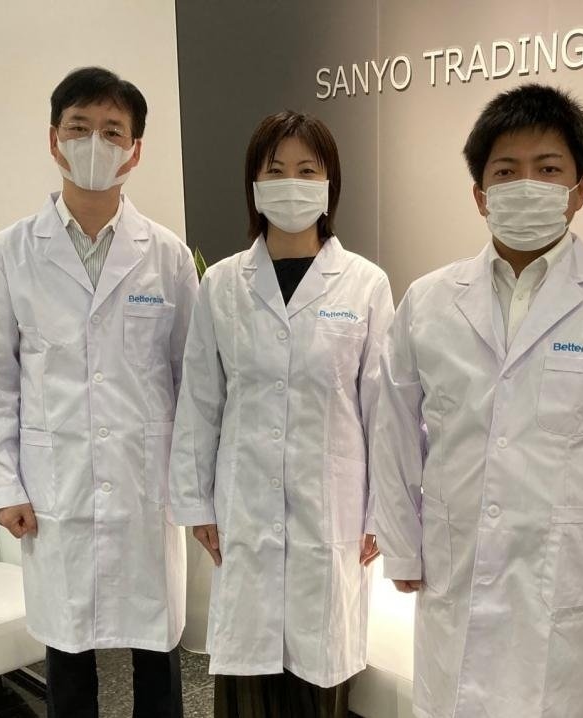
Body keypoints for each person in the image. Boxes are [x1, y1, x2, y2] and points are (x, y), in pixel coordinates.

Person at [371, 83, 583, 718]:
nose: (526, 185)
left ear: (580, 189)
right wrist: (401, 541)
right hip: (457, 567)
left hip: (565, 583)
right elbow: (394, 427)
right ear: (480, 195)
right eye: (506, 171)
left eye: (548, 169)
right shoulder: (428, 301)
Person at [0, 66, 196, 718]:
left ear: (135, 151)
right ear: (54, 140)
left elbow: (193, 381)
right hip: (55, 486)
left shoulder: (168, 257)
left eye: (113, 131)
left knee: (158, 654)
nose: (96, 143)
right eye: (80, 128)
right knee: (68, 660)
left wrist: (195, 483)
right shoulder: (11, 253)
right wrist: (1, 483)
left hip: (145, 485)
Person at [169, 110, 394, 718]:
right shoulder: (222, 284)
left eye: (307, 170)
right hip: (244, 508)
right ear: (254, 184)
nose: (291, 183)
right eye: (276, 170)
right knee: (248, 681)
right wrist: (197, 504)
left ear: (330, 184)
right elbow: (200, 400)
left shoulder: (366, 285)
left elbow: (383, 410)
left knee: (318, 679)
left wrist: (383, 512)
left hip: (332, 512)